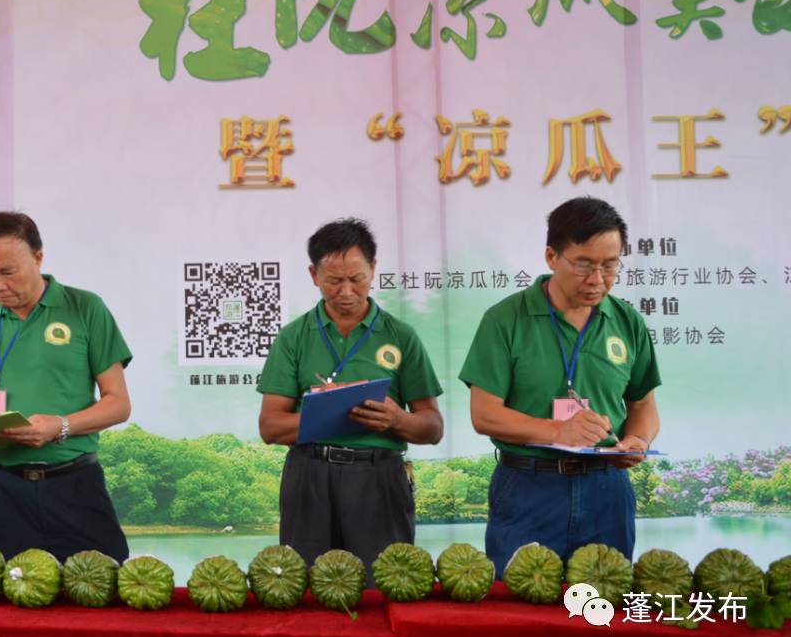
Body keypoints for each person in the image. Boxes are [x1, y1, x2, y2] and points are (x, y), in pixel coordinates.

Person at [460, 197, 661, 575]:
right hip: (529, 486)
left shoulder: (626, 321)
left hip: (607, 488)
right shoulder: (505, 319)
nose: (598, 279)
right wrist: (557, 431)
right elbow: (484, 414)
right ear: (552, 257)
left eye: (610, 265)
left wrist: (639, 441)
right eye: (584, 265)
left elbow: (643, 405)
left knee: (604, 613)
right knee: (522, 615)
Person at [0, 211, 132, 561]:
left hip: (74, 486)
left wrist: (61, 426)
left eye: (8, 273)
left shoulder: (85, 309)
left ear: (38, 257)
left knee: (101, 593)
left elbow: (118, 403)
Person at [258, 218, 444, 578]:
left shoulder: (401, 336)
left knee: (384, 585)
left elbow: (433, 426)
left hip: (379, 478)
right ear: (314, 275)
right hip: (309, 476)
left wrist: (398, 420)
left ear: (373, 270)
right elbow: (270, 426)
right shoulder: (293, 338)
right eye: (333, 281)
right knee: (307, 589)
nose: (346, 291)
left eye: (356, 279)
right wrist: (332, 414)